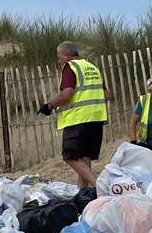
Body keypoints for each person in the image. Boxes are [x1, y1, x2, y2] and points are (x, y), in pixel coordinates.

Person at [37, 41, 109, 190]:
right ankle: (82, 192)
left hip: (78, 118)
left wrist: (49, 106)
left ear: (65, 55)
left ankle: (98, 186)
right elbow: (108, 95)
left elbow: (67, 94)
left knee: (70, 156)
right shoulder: (92, 67)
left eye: (59, 57)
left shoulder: (70, 67)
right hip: (96, 118)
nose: (59, 61)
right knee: (85, 156)